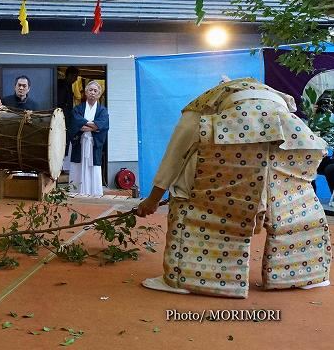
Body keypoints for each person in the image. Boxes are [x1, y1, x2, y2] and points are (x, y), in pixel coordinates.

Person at [136, 78, 331, 298]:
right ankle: (305, 275)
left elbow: (176, 152)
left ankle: (185, 278)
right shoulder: (272, 94)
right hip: (293, 134)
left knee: (202, 203)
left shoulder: (200, 106)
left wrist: (153, 199)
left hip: (234, 134)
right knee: (291, 202)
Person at [68, 80, 109, 197]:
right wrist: (94, 126)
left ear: (99, 94)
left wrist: (88, 126)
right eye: (90, 90)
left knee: (93, 166)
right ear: (85, 92)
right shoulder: (78, 109)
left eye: (95, 91)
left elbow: (103, 125)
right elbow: (76, 123)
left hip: (93, 144)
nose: (92, 92)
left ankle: (94, 192)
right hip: (80, 143)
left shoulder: (102, 110)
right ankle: (76, 191)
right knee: (78, 165)